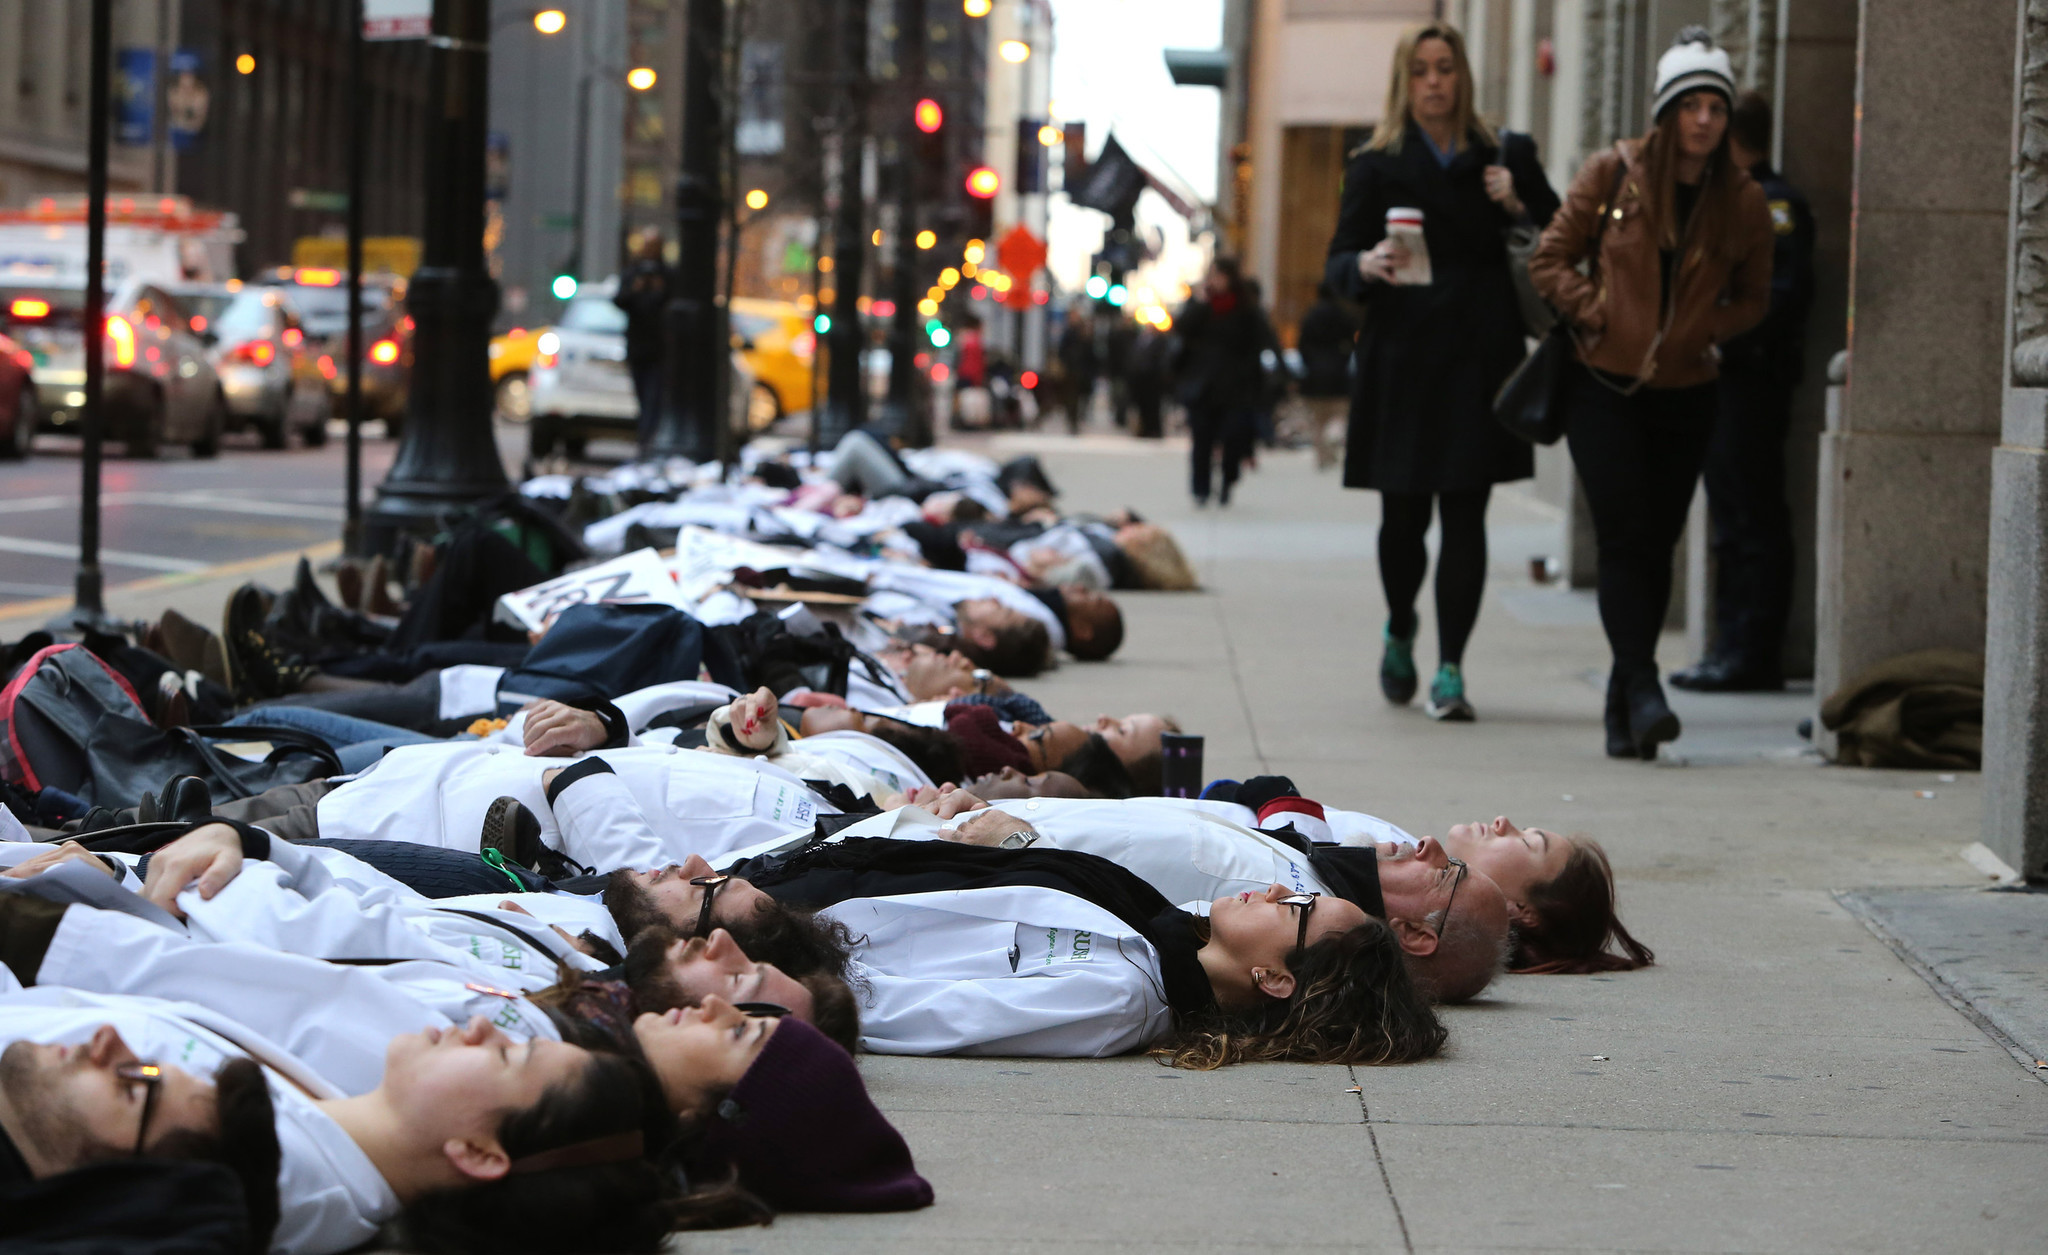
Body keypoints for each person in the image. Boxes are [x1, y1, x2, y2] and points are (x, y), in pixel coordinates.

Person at [1528, 26, 1772, 760]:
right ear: (1667, 111)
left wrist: (1706, 329)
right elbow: (1549, 259)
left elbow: (1756, 297)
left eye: (1717, 108)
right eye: (1692, 104)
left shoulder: (1744, 201)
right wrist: (1596, 310)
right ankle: (1643, 685)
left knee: (1656, 544)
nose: (1705, 119)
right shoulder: (1615, 173)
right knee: (1624, 536)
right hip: (1603, 386)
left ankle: (1623, 704)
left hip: (1687, 392)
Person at [1324, 21, 1561, 723]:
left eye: (1446, 68)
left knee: (1466, 513)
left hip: (1480, 360)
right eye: (1422, 69)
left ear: (1463, 77)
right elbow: (1338, 259)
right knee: (1403, 517)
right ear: (1406, 80)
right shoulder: (1376, 162)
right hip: (1402, 359)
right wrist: (1363, 266)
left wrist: (1517, 200)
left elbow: (1560, 230)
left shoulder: (1503, 153)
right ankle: (1401, 623)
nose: (1435, 81)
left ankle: (1452, 667)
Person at [1670, 90, 1816, 694]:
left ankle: (1751, 651)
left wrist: (1719, 339)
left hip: (1751, 380)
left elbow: (1776, 301)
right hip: (1722, 378)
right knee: (1730, 516)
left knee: (1750, 516)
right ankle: (1729, 646)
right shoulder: (1731, 201)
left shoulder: (1775, 205)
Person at [1173, 258, 1280, 507]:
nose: (1216, 280)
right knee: (1202, 440)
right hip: (1203, 386)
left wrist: (1275, 374)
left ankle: (1228, 479)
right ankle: (1201, 489)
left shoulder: (1246, 309)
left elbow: (1265, 340)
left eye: (1220, 275)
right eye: (1212, 275)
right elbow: (1181, 328)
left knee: (1234, 437)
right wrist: (1201, 300)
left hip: (1236, 387)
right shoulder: (1202, 307)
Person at [614, 229, 670, 453]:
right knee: (642, 396)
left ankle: (648, 441)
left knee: (653, 398)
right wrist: (635, 289)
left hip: (659, 348)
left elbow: (672, 303)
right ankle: (646, 440)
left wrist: (659, 289)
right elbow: (619, 300)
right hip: (638, 346)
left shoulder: (666, 275)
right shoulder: (633, 273)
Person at [1294, 282, 1358, 471]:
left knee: (1318, 420)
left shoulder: (1310, 316)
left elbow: (1302, 344)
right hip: (1338, 373)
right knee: (1338, 414)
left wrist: (1309, 363)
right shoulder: (1344, 315)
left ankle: (1321, 456)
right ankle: (1331, 445)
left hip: (1315, 375)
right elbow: (1352, 343)